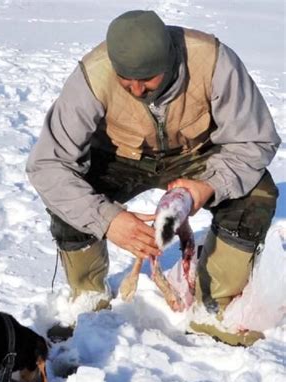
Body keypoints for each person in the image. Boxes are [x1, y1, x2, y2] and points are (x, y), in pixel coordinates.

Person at [26, 10, 280, 346]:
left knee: (256, 192)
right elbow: (48, 164)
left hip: (196, 156)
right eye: (125, 79)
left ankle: (212, 308)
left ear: (171, 61)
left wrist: (209, 185)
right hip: (121, 157)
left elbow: (255, 140)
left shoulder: (214, 62)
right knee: (71, 192)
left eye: (147, 79)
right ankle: (88, 296)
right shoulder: (93, 75)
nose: (136, 89)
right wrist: (107, 219)